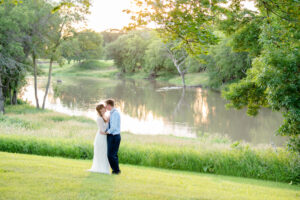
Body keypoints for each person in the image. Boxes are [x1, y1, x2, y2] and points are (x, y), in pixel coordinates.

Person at [88, 104, 111, 174]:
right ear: (100, 110)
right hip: (101, 138)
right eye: (103, 108)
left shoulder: (104, 116)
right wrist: (107, 123)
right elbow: (102, 130)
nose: (104, 108)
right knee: (102, 152)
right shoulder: (99, 118)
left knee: (104, 152)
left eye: (104, 107)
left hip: (104, 137)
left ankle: (104, 167)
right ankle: (100, 168)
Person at [101, 99, 121, 175]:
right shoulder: (111, 113)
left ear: (109, 105)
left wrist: (106, 132)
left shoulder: (115, 113)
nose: (105, 107)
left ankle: (116, 170)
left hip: (114, 136)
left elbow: (113, 127)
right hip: (111, 136)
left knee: (111, 155)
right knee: (111, 154)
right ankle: (115, 170)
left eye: (106, 105)